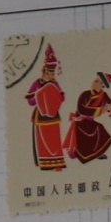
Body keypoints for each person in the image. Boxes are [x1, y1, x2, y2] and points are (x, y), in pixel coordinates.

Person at [25, 43, 66, 171]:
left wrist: (52, 95)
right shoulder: (37, 83)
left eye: (52, 74)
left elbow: (62, 98)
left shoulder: (54, 83)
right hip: (41, 116)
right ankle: (45, 164)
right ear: (44, 71)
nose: (51, 76)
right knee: (43, 140)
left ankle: (57, 163)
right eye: (48, 73)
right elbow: (30, 101)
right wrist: (40, 95)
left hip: (53, 115)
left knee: (55, 139)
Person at [62, 72, 111, 163]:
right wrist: (102, 110)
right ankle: (80, 153)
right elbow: (81, 109)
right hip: (80, 121)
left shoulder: (104, 96)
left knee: (99, 128)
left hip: (90, 121)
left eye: (96, 81)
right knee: (91, 130)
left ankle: (97, 152)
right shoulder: (85, 94)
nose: (93, 82)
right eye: (94, 81)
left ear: (102, 85)